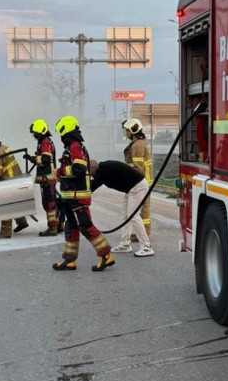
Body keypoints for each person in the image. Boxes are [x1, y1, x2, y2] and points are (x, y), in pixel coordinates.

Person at [51, 116, 114, 272]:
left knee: (86, 226)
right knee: (71, 227)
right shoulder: (72, 146)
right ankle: (69, 259)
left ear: (67, 131)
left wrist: (60, 171)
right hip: (70, 196)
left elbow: (79, 168)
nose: (61, 137)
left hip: (77, 196)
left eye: (61, 133)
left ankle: (106, 256)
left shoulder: (75, 146)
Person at [89, 160, 154, 257]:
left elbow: (92, 186)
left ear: (93, 168)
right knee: (125, 216)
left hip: (138, 187)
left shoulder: (103, 171)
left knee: (133, 216)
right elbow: (93, 183)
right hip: (131, 189)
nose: (89, 175)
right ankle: (125, 244)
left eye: (89, 172)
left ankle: (146, 246)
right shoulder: (103, 168)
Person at [23, 119, 65, 236]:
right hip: (47, 178)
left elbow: (46, 159)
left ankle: (52, 228)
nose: (34, 136)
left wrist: (33, 158)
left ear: (41, 132)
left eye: (35, 133)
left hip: (47, 178)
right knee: (54, 202)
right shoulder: (44, 141)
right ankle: (60, 225)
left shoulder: (45, 142)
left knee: (49, 203)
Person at [122, 118, 153, 240]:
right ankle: (144, 232)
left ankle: (144, 234)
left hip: (140, 182)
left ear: (132, 131)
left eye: (127, 131)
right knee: (143, 208)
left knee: (142, 210)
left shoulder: (137, 146)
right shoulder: (138, 144)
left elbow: (138, 168)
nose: (126, 133)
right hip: (143, 181)